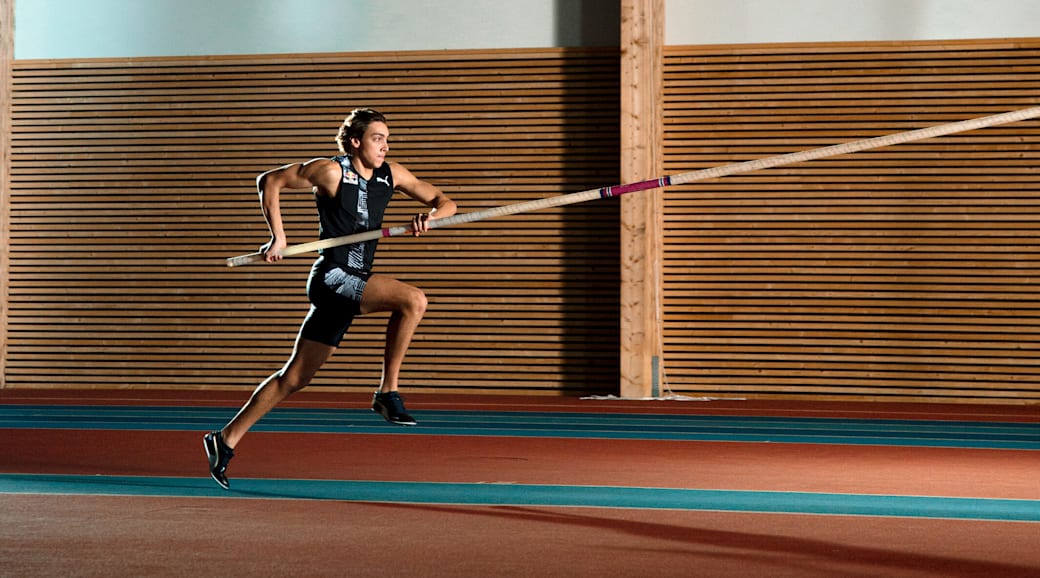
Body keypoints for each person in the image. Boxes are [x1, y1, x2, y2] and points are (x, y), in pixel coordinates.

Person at [204, 108, 456, 490]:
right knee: (414, 301)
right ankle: (388, 392)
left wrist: (431, 218)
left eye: (387, 138)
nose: (385, 145)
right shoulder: (331, 171)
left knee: (294, 378)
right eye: (377, 138)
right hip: (334, 278)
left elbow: (444, 200)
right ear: (355, 141)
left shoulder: (392, 173)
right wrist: (279, 238)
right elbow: (268, 180)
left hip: (354, 280)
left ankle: (223, 440)